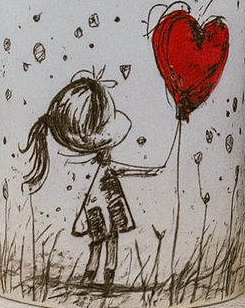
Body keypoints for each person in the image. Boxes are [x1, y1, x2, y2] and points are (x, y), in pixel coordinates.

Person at [21, 69, 173, 289]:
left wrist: (150, 171)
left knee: (106, 237)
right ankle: (97, 271)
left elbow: (118, 171)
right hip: (97, 205)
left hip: (105, 203)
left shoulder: (98, 165)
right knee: (103, 238)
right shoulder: (91, 166)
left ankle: (102, 271)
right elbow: (112, 173)